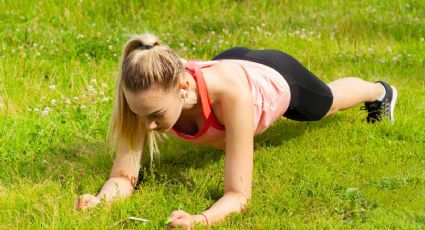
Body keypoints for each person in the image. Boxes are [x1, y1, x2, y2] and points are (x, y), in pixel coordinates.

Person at [75, 34, 397, 228]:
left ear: (184, 88)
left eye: (156, 115)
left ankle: (379, 91)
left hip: (276, 74)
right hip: (229, 60)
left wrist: (200, 220)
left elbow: (238, 195)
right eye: (139, 114)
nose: (147, 127)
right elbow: (123, 176)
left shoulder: (232, 97)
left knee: (327, 103)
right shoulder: (147, 97)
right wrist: (101, 201)